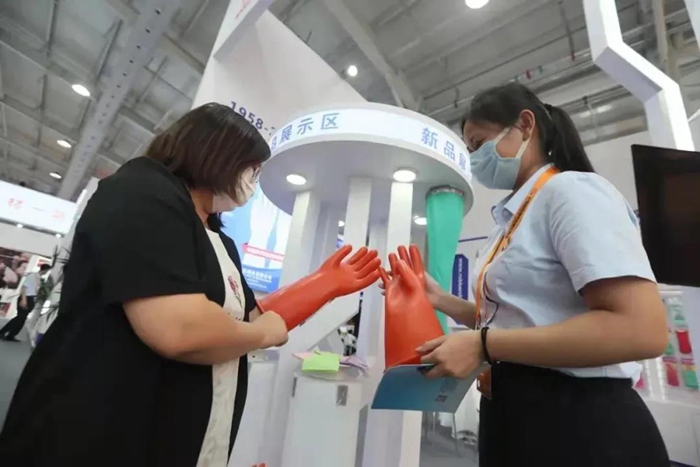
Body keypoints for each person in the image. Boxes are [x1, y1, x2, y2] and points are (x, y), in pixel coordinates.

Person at [0, 104, 291, 466]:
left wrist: (322, 288)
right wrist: (261, 334)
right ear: (218, 153)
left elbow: (249, 315)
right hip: (102, 427)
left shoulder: (221, 240)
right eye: (251, 168)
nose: (253, 181)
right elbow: (179, 329)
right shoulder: (143, 191)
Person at [413, 83, 669, 466]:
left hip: (579, 423)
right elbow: (517, 316)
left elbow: (641, 329)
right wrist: (439, 299)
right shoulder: (510, 219)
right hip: (515, 411)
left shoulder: (570, 192)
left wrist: (483, 346)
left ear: (525, 126)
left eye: (479, 144)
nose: (475, 159)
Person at [0, 262, 51, 341]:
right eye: (47, 271)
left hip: (31, 298)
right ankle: (4, 332)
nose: (47, 272)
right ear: (45, 270)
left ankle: (11, 335)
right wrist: (24, 300)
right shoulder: (32, 276)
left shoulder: (39, 278)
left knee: (21, 318)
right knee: (20, 318)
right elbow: (24, 287)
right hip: (26, 297)